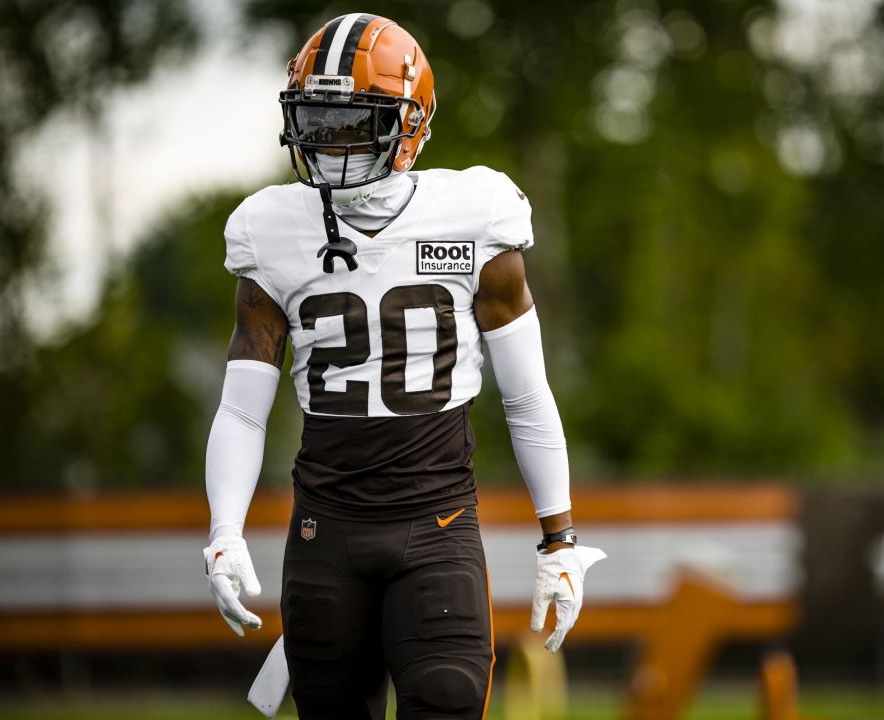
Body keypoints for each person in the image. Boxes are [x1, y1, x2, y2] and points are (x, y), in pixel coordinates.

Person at [200, 13, 605, 719]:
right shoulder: (272, 229)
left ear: (409, 124)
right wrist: (224, 531)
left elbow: (526, 394)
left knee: (447, 702)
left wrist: (560, 539)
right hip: (325, 531)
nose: (329, 144)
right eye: (316, 121)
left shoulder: (475, 214)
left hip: (436, 526)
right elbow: (242, 404)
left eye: (352, 122)